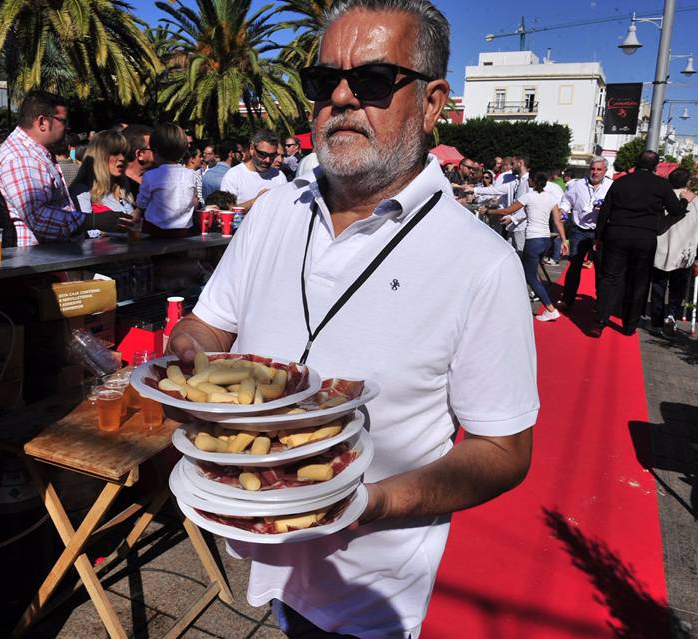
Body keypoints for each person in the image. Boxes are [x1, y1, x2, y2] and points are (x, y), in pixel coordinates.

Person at [165, 2, 537, 636]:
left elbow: (504, 450)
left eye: (369, 80)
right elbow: (206, 326)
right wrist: (183, 370)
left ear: (431, 102)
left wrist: (372, 501)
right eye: (322, 82)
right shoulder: (274, 212)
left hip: (369, 585)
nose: (339, 97)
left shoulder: (482, 263)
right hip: (254, 544)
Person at [0, 91, 118, 245]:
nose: (67, 127)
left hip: (46, 259)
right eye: (63, 121)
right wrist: (93, 221)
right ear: (42, 122)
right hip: (37, 263)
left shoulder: (30, 152)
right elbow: (39, 217)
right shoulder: (21, 157)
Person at [591, 150, 693, 337]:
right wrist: (685, 202)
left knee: (610, 278)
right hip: (644, 237)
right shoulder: (661, 185)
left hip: (617, 233)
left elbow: (605, 210)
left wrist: (599, 237)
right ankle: (629, 325)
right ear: (656, 166)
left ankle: (599, 321)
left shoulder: (620, 182)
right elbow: (676, 210)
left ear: (637, 163)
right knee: (638, 281)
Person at [489, 172, 569, 321]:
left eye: (529, 180)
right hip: (545, 240)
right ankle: (528, 301)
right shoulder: (550, 198)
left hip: (533, 240)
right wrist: (564, 240)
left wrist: (488, 211)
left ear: (532, 181)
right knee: (531, 273)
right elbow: (558, 221)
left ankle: (550, 309)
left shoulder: (528, 196)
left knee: (530, 276)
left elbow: (507, 210)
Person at [651, 167, 698, 335]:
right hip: (684, 252)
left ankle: (656, 322)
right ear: (688, 182)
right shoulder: (697, 201)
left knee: (658, 286)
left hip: (661, 249)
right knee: (677, 288)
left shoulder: (661, 197)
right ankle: (671, 315)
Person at [557, 156, 610, 309]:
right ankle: (568, 299)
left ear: (605, 171)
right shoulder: (577, 185)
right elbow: (566, 201)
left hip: (599, 232)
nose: (595, 172)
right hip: (579, 231)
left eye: (599, 169)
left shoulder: (611, 186)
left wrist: (605, 209)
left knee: (601, 269)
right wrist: (563, 210)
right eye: (593, 169)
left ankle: (600, 303)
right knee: (574, 265)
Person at [134, 123, 197, 236]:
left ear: (155, 152)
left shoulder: (150, 176)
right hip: (183, 230)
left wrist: (137, 211)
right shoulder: (191, 175)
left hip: (154, 230)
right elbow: (193, 201)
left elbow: (141, 203)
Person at [68, 130, 135, 230]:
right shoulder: (81, 190)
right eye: (115, 153)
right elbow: (86, 232)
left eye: (124, 153)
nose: (122, 158)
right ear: (99, 157)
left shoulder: (122, 188)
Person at [219, 128, 287, 212]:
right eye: (263, 154)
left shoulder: (279, 176)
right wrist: (256, 201)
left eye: (272, 155)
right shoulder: (234, 175)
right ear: (252, 149)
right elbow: (226, 211)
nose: (268, 160)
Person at [123, 123, 154, 199]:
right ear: (140, 154)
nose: (161, 152)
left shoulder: (156, 181)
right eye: (155, 148)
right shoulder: (117, 186)